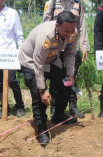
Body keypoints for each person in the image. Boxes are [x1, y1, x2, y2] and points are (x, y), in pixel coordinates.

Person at [18, 11, 78, 147]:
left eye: (71, 30)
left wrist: (70, 74)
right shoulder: (45, 35)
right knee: (39, 97)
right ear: (57, 26)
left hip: (51, 60)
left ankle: (58, 115)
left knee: (66, 86)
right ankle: (41, 129)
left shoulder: (73, 32)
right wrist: (42, 90)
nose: (69, 34)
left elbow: (71, 53)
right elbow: (38, 63)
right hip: (32, 62)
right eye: (65, 31)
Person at [43, 0, 90, 118]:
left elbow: (82, 26)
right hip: (54, 49)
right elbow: (45, 25)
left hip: (71, 48)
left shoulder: (77, 4)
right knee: (55, 80)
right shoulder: (51, 3)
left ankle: (72, 106)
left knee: (71, 78)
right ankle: (55, 108)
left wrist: (84, 46)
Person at [0, 0, 26, 117]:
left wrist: (21, 53)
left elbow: (19, 35)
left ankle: (20, 106)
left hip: (9, 54)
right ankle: (5, 107)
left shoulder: (12, 13)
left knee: (12, 81)